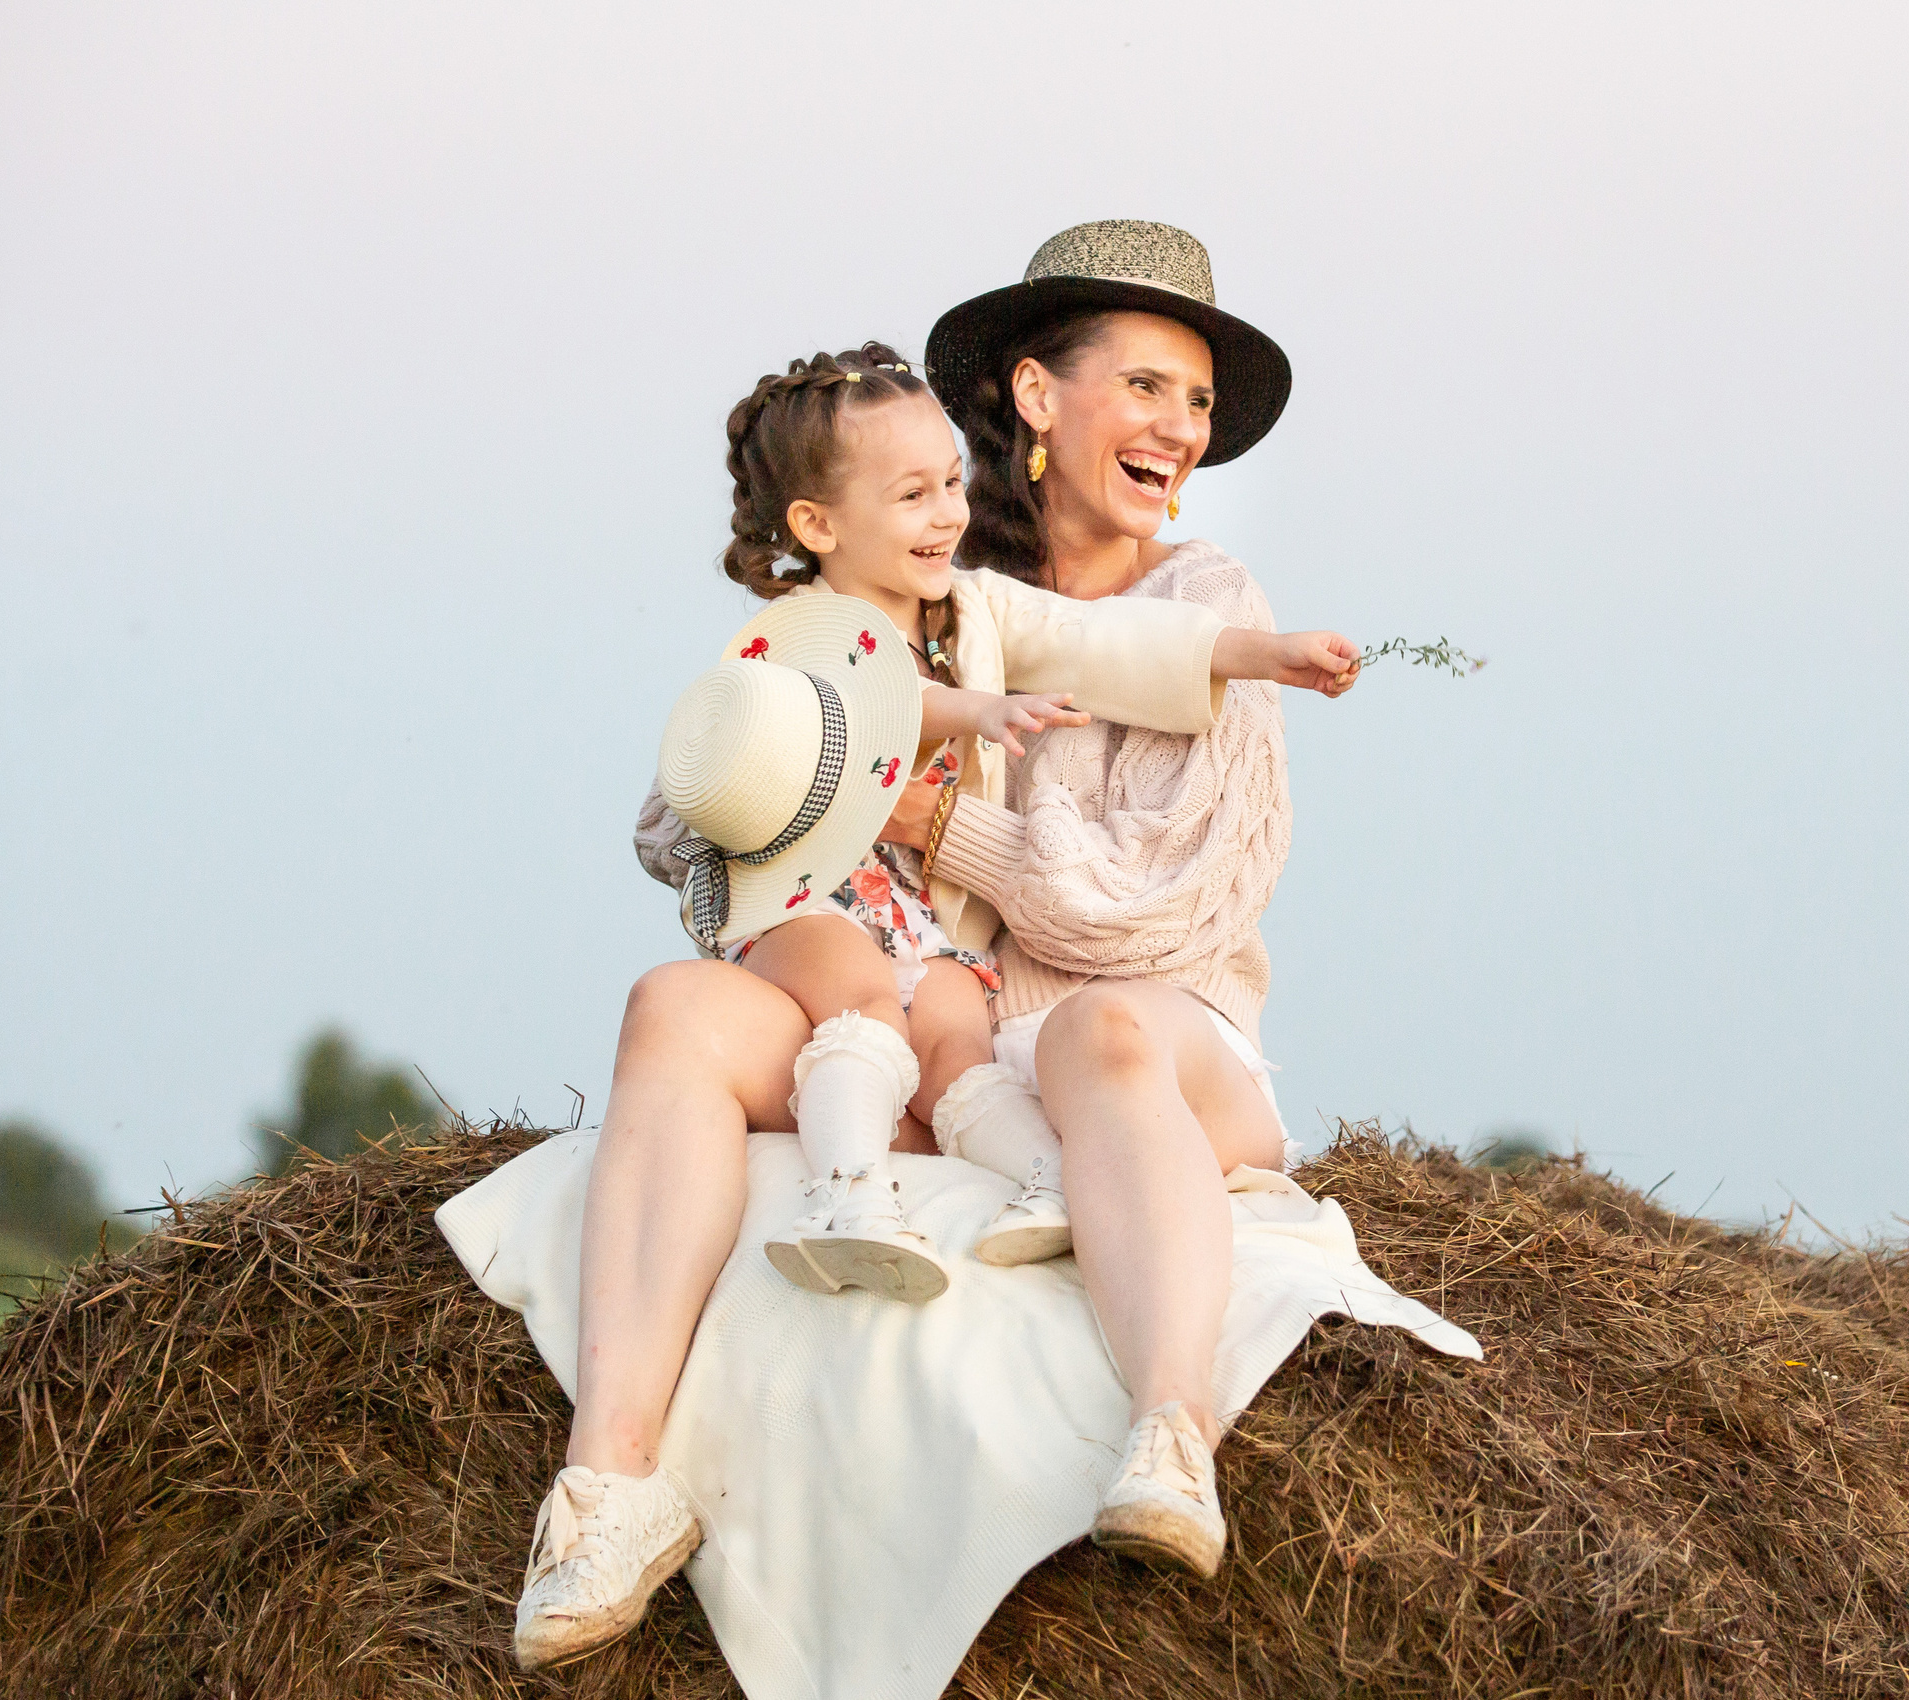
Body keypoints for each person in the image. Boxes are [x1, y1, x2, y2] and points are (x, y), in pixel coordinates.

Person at [512, 220, 1352, 1671]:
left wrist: (925, 829)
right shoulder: (923, 593)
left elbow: (1139, 915)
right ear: (1037, 398)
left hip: (1139, 1040)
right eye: (1148, 387)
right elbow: (701, 802)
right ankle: (610, 1486)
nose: (1180, 429)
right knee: (675, 1006)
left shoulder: (1193, 598)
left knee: (1096, 1028)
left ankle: (1172, 1438)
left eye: (1198, 403)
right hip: (921, 1016)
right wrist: (785, 771)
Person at [657, 341, 1357, 1303]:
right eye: (914, 495)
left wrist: (1258, 652)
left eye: (950, 484)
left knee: (952, 1034)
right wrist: (967, 718)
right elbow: (837, 717)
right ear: (818, 524)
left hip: (935, 927)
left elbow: (1103, 640)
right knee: (861, 1000)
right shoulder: (797, 632)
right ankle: (849, 1195)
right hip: (813, 902)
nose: (944, 512)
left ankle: (1049, 1180)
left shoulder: (973, 605)